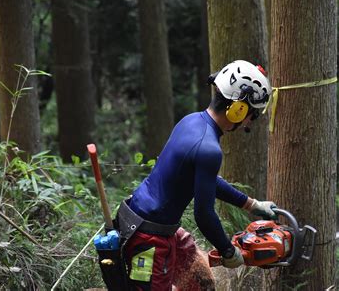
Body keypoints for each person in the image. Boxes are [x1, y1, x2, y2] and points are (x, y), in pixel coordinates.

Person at [118, 60, 277, 290]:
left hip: (158, 226)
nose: (248, 123)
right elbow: (203, 214)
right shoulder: (209, 149)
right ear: (238, 109)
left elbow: (207, 181)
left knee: (200, 283)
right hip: (148, 238)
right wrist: (228, 251)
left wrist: (251, 204)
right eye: (251, 115)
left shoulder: (191, 121)